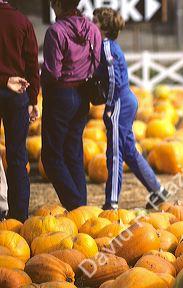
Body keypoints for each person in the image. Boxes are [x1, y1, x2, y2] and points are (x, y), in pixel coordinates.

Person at [92, 8, 170, 210]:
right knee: (128, 151)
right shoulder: (106, 46)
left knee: (115, 153)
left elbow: (113, 80)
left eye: (94, 21)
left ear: (104, 27)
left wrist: (109, 105)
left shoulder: (107, 47)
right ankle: (158, 191)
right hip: (124, 100)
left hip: (119, 102)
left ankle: (112, 203)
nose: (91, 24)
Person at [41, 0, 102, 211]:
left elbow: (52, 73)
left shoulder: (55, 31)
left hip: (60, 95)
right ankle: (82, 208)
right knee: (74, 151)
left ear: (58, 3)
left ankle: (75, 206)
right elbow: (97, 63)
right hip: (83, 93)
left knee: (51, 156)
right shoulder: (92, 29)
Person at [0, 0, 40, 221]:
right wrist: (33, 99)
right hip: (18, 95)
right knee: (17, 156)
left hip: (9, 86)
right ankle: (19, 217)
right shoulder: (22, 22)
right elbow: (33, 64)